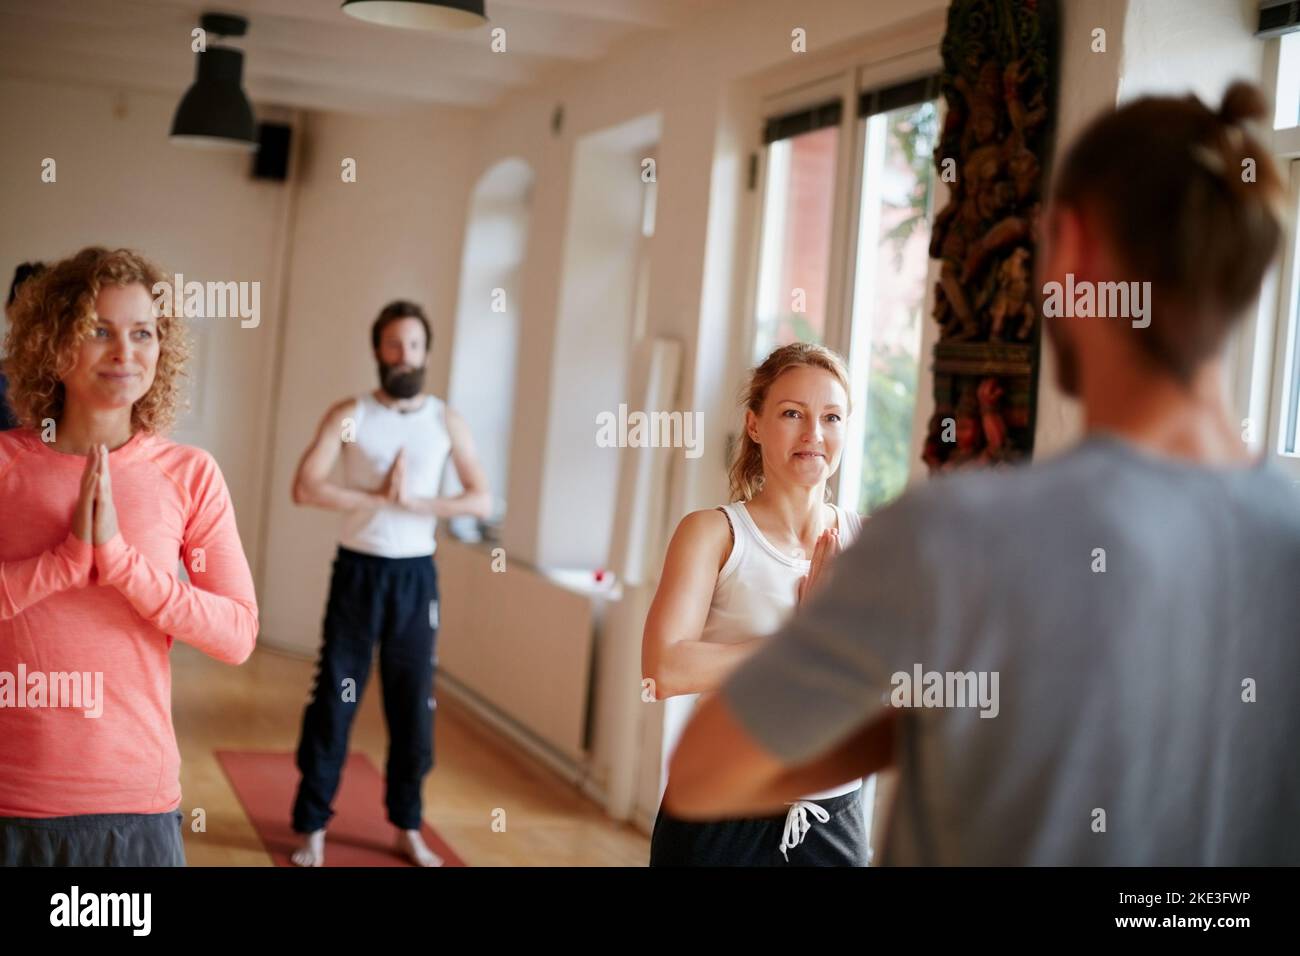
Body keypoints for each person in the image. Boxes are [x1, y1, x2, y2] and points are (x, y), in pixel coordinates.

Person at [663, 82, 1300, 865]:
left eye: (830, 415)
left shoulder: (955, 535)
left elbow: (702, 775)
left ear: (1068, 248)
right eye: (793, 412)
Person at [0, 247, 258, 865]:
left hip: (133, 810)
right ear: (54, 345)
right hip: (13, 806)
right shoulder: (6, 464)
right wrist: (62, 564)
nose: (125, 352)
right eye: (98, 330)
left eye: (143, 332)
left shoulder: (189, 474)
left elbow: (237, 633)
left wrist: (122, 566)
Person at [642, 342, 869, 865]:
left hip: (831, 823)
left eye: (831, 417)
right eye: (793, 413)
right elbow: (663, 669)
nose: (814, 433)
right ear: (755, 425)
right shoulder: (713, 533)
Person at [288, 299, 492, 867]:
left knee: (413, 709)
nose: (406, 356)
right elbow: (305, 486)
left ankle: (407, 824)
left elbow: (482, 497)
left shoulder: (446, 420)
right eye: (395, 345)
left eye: (416, 346)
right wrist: (376, 499)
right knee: (335, 700)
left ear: (428, 353)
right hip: (359, 571)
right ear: (378, 351)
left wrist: (416, 503)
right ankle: (311, 827)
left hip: (415, 579)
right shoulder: (349, 412)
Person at [1, 262, 46, 431]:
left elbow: (50, 436)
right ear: (9, 309)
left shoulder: (62, 379)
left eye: (38, 309)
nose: (31, 318)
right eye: (24, 307)